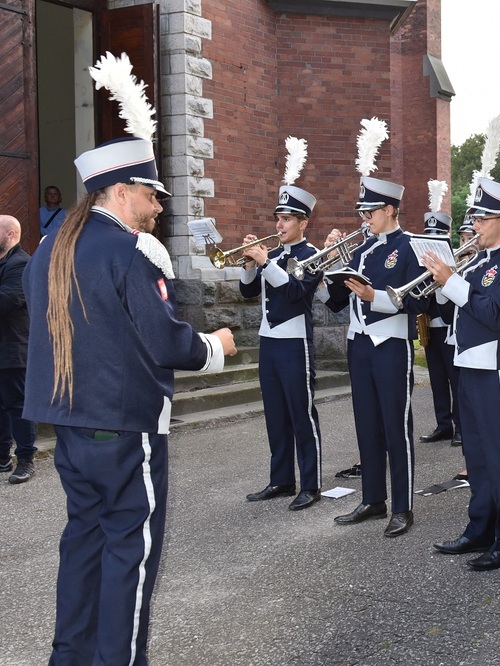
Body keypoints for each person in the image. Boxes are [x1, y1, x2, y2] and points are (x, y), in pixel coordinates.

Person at [23, 133, 236, 665]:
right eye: (152, 195)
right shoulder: (127, 249)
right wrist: (215, 346)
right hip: (122, 425)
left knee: (84, 545)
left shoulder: (52, 247)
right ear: (121, 192)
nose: (159, 207)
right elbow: (164, 339)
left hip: (69, 421)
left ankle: (69, 658)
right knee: (129, 556)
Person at [424, 178, 500, 571]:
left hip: (496, 367)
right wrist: (443, 282)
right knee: (477, 455)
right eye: (475, 218)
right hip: (467, 363)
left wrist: (451, 281)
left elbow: (496, 315)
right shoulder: (479, 262)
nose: (476, 226)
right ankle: (480, 527)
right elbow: (459, 311)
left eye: (483, 219)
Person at [323, 174, 425, 538]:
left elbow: (420, 300)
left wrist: (375, 298)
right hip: (359, 343)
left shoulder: (412, 246)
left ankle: (403, 506)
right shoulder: (362, 251)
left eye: (370, 211)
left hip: (391, 344)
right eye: (362, 211)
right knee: (366, 424)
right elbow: (335, 302)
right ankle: (372, 498)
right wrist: (329, 267)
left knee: (396, 426)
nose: (364, 218)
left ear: (390, 210)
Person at [242, 157, 325, 512]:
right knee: (275, 413)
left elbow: (295, 293)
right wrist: (249, 266)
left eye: (287, 219)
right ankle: (280, 479)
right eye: (278, 219)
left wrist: (265, 263)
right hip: (269, 342)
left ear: (303, 222)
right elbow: (248, 293)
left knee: (301, 413)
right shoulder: (271, 254)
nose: (280, 225)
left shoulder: (313, 255)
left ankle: (311, 484)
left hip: (294, 343)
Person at [419, 205, 462, 447]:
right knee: (436, 379)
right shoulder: (421, 263)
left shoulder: (455, 263)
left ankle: (460, 427)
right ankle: (443, 424)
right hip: (430, 328)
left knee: (454, 380)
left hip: (449, 328)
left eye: (437, 237)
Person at [0, 215, 35, 483]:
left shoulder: (20, 263)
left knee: (18, 406)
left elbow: (7, 301)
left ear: (10, 234)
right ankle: (3, 458)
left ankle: (26, 460)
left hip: (14, 348)